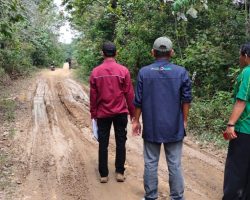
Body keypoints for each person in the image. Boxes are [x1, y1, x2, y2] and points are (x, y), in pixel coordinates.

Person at [132, 36, 192, 200]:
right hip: (174, 125)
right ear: (171, 52)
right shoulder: (181, 72)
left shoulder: (144, 72)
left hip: (152, 125)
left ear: (153, 52)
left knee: (151, 162)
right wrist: (184, 121)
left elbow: (138, 100)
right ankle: (177, 197)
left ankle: (151, 196)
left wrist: (136, 121)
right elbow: (186, 100)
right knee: (175, 163)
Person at [89, 41, 135, 183]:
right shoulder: (123, 71)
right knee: (121, 141)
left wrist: (93, 114)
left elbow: (93, 97)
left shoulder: (95, 72)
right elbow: (129, 94)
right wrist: (133, 114)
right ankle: (119, 172)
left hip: (103, 113)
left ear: (102, 53)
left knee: (103, 143)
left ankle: (104, 175)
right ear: (116, 53)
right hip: (120, 112)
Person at [222, 43, 250, 200]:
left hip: (245, 128)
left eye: (240, 55)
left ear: (245, 56)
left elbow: (242, 100)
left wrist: (231, 124)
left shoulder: (247, 72)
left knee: (236, 168)